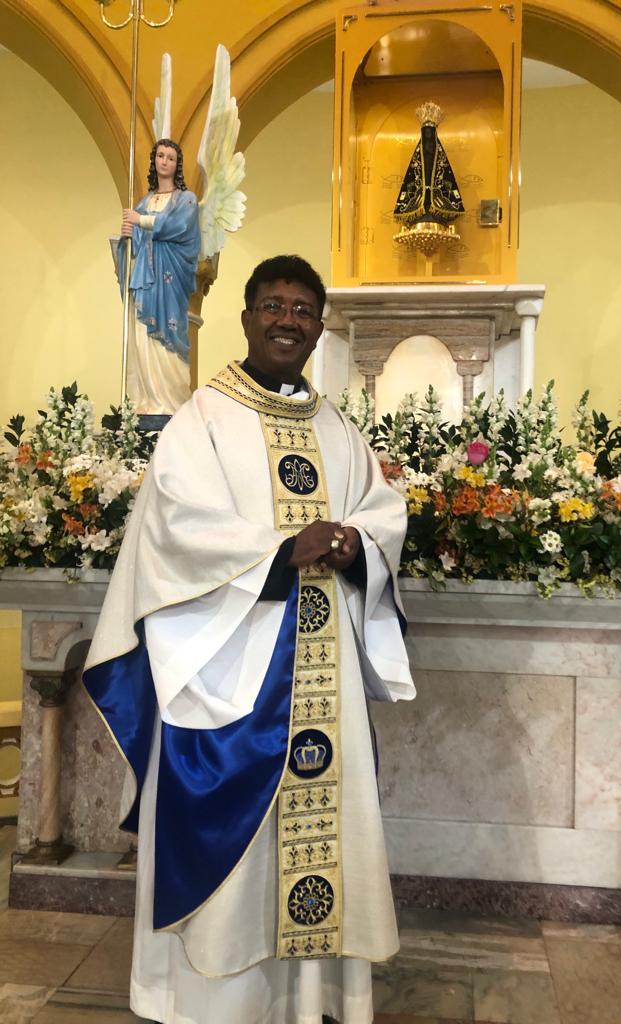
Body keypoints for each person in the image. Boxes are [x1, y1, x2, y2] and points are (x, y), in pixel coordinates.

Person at [84, 255, 415, 1024]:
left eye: (303, 309)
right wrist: (279, 552)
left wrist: (355, 543)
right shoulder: (202, 419)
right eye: (273, 305)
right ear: (246, 317)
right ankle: (218, 1007)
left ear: (319, 327)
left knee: (319, 844)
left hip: (324, 682)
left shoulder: (336, 427)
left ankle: (305, 1002)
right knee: (230, 855)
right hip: (226, 673)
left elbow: (382, 510)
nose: (287, 320)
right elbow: (176, 525)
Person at [119, 139, 201, 416]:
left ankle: (171, 401)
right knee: (143, 336)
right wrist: (129, 235)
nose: (165, 161)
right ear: (154, 160)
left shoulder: (186, 199)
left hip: (171, 279)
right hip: (146, 279)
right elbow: (137, 244)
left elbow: (179, 227)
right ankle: (146, 399)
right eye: (161, 156)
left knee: (169, 334)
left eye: (171, 158)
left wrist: (140, 221)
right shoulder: (144, 202)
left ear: (178, 165)